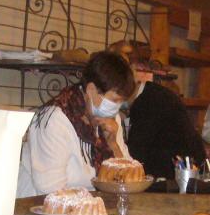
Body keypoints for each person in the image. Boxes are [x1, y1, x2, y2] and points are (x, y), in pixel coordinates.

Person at [16, 51, 135, 197]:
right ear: (91, 90)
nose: (118, 107)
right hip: (40, 207)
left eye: (121, 102)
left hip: (91, 206)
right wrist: (93, 203)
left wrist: (113, 145)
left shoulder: (111, 118)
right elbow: (50, 189)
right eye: (115, 100)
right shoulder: (55, 119)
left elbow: (128, 179)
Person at [126, 72, 206, 180]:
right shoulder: (154, 92)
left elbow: (137, 150)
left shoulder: (148, 102)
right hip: (183, 163)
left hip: (177, 170)